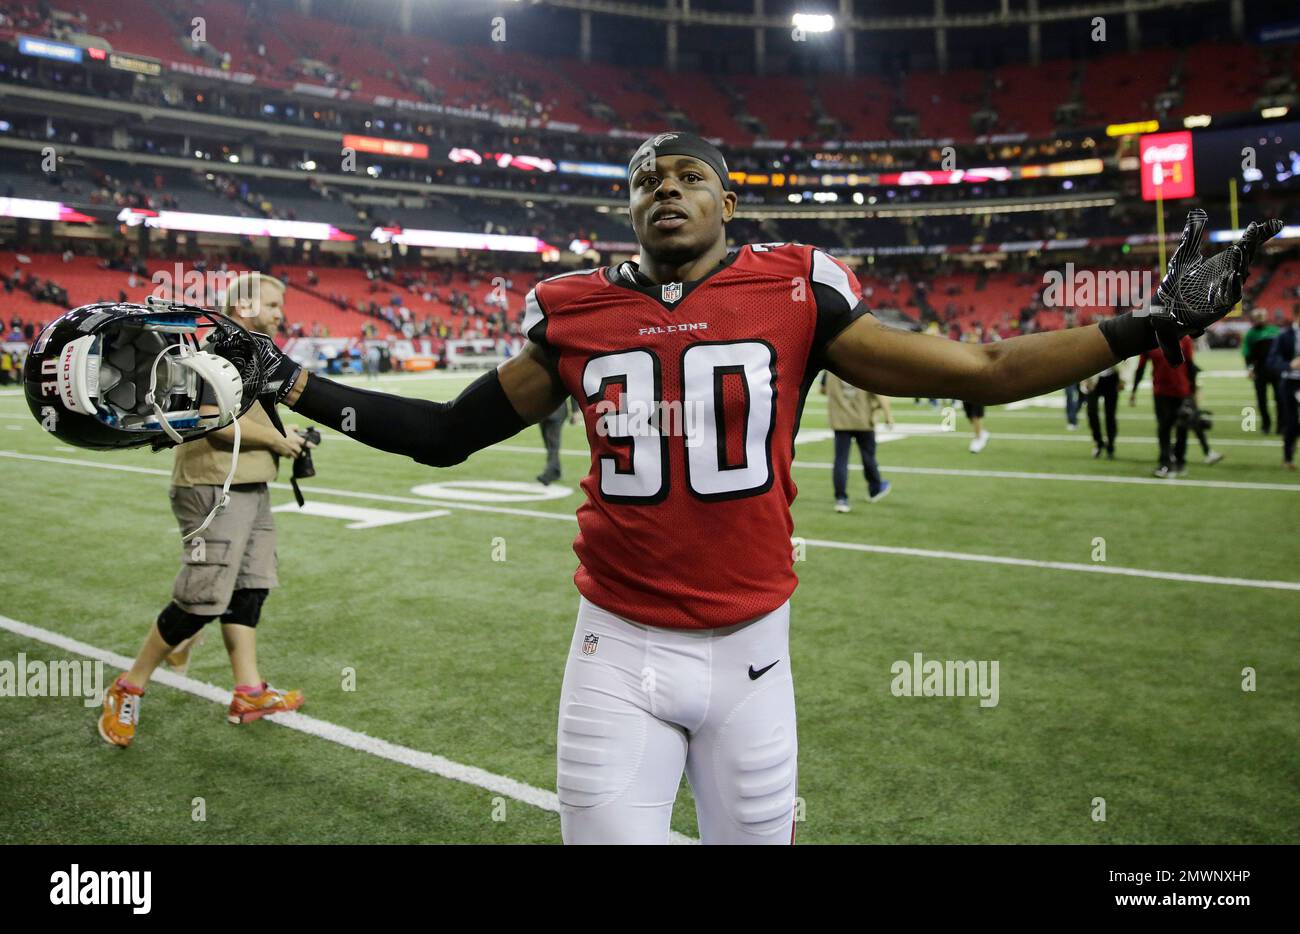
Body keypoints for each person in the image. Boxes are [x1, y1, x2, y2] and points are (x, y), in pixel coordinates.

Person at [228, 134, 1280, 844]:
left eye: (686, 176)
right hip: (615, 649)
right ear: (630, 210)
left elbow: (986, 373)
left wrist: (1157, 322)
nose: (666, 191)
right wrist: (288, 379)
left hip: (752, 653)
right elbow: (448, 433)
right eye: (646, 182)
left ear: (726, 200)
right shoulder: (577, 311)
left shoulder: (795, 290)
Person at [98, 273, 312, 748]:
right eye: (273, 304)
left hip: (251, 484)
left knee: (250, 590)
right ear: (244, 305)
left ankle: (249, 691)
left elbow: (246, 419)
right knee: (200, 598)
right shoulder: (214, 352)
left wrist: (282, 436)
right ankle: (128, 686)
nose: (281, 313)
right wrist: (280, 439)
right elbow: (215, 423)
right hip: (212, 487)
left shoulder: (250, 352)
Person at [820, 370, 892, 512]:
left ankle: (841, 499)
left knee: (840, 460)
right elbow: (879, 393)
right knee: (868, 457)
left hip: (840, 421)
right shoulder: (862, 365)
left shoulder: (829, 370)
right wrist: (888, 415)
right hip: (863, 420)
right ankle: (875, 489)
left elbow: (823, 390)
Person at [1130, 334, 1195, 478]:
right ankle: (1165, 463)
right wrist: (1134, 390)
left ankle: (1180, 461)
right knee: (1164, 428)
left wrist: (1193, 392)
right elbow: (1141, 367)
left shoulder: (1184, 339)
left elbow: (1190, 365)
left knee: (1182, 428)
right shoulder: (1150, 339)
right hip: (1161, 392)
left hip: (1182, 391)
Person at [1267, 304, 1300, 470]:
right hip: (1290, 383)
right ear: (1296, 315)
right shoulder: (1284, 336)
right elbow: (1272, 361)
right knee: (1291, 422)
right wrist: (1289, 365)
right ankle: (1288, 458)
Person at [1241, 308, 1280, 435]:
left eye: (1261, 316)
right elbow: (1247, 354)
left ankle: (1282, 425)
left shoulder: (1275, 331)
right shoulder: (1250, 334)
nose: (1259, 319)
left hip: (1276, 370)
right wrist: (1250, 369)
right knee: (1262, 400)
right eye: (1257, 317)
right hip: (1260, 371)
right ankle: (1266, 425)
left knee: (1280, 399)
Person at [1082, 364, 1122, 458]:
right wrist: (1085, 379)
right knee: (1091, 411)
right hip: (1093, 377)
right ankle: (1098, 442)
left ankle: (1111, 445)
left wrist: (1123, 379)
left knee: (1110, 414)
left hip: (1112, 377)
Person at [536, 396, 578, 485]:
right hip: (541, 412)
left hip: (557, 412)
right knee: (548, 444)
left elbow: (573, 392)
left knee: (552, 445)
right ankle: (556, 472)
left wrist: (575, 412)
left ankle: (548, 474)